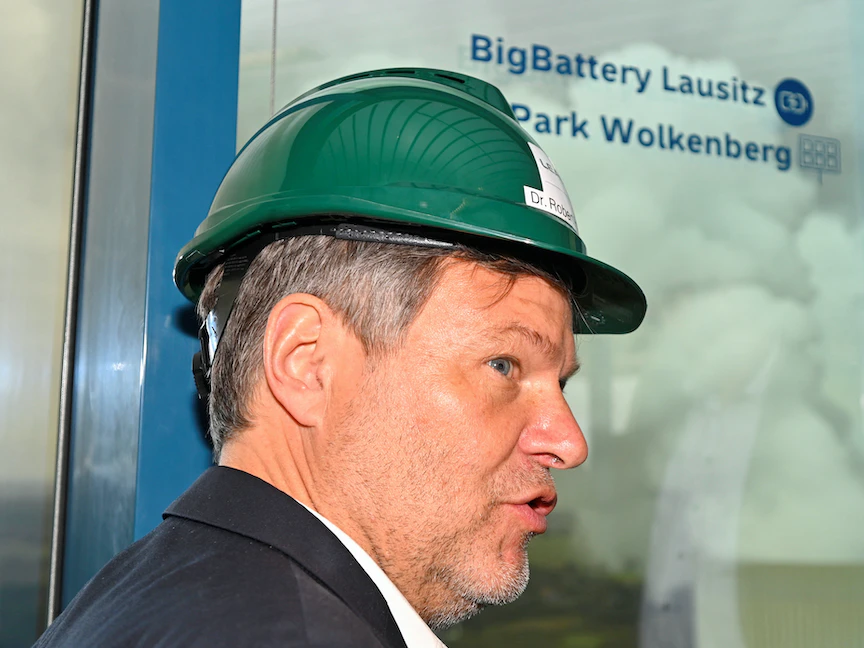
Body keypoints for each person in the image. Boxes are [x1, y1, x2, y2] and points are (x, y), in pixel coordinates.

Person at [34, 68, 646, 647]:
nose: (568, 442)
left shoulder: (153, 597)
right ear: (306, 362)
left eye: (560, 383)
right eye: (503, 366)